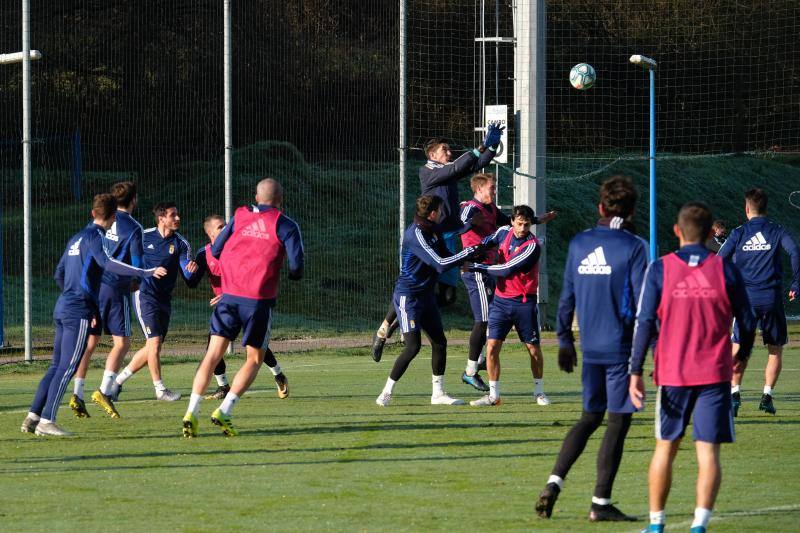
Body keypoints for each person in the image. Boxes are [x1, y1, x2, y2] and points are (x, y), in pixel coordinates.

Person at [630, 201, 756, 533]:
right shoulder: (726, 269)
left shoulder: (660, 269)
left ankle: (656, 523)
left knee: (665, 448)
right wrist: (744, 354)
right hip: (715, 376)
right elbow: (747, 319)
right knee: (708, 452)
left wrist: (634, 372)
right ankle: (699, 525)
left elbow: (644, 323)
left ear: (677, 231)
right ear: (710, 234)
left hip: (673, 375)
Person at [535, 176, 647, 522]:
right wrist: (640, 363)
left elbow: (566, 297)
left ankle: (554, 483)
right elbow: (644, 308)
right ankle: (600, 503)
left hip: (590, 349)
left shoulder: (579, 243)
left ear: (600, 207)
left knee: (588, 418)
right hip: (621, 349)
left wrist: (565, 342)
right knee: (617, 422)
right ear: (632, 211)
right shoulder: (634, 247)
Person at [20, 194, 165, 437]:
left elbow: (59, 273)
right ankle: (47, 420)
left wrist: (73, 292)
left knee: (55, 366)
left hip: (63, 305)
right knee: (67, 367)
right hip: (77, 311)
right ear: (111, 218)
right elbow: (108, 264)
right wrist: (144, 271)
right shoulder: (95, 237)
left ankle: (33, 416)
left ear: (92, 213)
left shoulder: (76, 237)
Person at [182, 178, 304, 437]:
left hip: (229, 297)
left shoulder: (239, 215)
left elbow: (216, 247)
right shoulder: (286, 224)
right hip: (257, 301)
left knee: (212, 355)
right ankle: (224, 412)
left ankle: (191, 411)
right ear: (280, 200)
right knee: (254, 359)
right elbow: (296, 268)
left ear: (256, 197)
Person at [371, 125, 503, 362]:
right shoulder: (428, 171)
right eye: (445, 149)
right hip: (431, 237)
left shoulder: (447, 169)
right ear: (432, 155)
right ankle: (387, 326)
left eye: (450, 149)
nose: (449, 152)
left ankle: (407, 319)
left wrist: (492, 146)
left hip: (450, 235)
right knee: (415, 284)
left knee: (448, 297)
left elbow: (473, 165)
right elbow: (458, 166)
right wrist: (480, 146)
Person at [375, 195, 484, 407]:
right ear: (433, 212)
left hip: (426, 296)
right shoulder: (416, 234)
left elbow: (446, 254)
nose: (443, 213)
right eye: (440, 210)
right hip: (409, 297)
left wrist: (472, 257)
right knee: (413, 346)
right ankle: (386, 393)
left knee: (439, 343)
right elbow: (440, 264)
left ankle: (438, 394)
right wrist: (467, 253)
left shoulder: (433, 230)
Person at [92, 202, 198, 416]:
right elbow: (129, 258)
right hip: (144, 295)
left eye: (177, 214)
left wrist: (192, 270)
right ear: (161, 218)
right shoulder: (144, 235)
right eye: (173, 215)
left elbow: (187, 274)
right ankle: (160, 389)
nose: (177, 218)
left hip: (164, 300)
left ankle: (117, 383)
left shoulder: (181, 243)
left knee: (152, 347)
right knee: (155, 342)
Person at [458, 173, 556, 392]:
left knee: (527, 344)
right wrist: (468, 247)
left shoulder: (496, 214)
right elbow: (459, 225)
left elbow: (513, 223)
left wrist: (540, 219)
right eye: (492, 187)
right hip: (477, 272)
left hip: (497, 278)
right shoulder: (471, 208)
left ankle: (535, 390)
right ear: (479, 189)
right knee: (483, 320)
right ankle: (471, 371)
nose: (495, 190)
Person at [717, 188, 799, 416]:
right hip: (771, 299)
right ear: (766, 208)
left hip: (745, 301)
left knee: (740, 347)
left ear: (746, 209)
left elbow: (718, 260)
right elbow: (794, 251)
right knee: (775, 350)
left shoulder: (739, 232)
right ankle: (767, 396)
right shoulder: (776, 230)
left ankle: (734, 394)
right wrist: (796, 283)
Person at [66, 181, 144, 419]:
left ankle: (77, 393)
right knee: (122, 343)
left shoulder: (99, 223)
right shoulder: (133, 227)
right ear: (133, 200)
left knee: (91, 342)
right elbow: (137, 266)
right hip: (114, 288)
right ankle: (104, 391)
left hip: (93, 285)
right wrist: (136, 282)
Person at [191, 214, 289, 401]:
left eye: (226, 226)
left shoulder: (240, 248)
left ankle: (278, 375)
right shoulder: (203, 254)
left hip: (247, 302)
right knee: (212, 349)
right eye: (220, 227)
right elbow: (191, 282)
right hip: (225, 308)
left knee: (255, 345)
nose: (226, 229)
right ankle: (223, 386)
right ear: (210, 233)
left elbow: (252, 275)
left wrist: (228, 293)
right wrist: (189, 270)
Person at [465, 205, 549, 407]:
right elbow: (487, 242)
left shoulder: (532, 246)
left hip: (523, 303)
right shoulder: (504, 232)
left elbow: (505, 269)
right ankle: (494, 396)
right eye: (519, 223)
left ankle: (539, 391)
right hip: (501, 302)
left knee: (533, 349)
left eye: (527, 224)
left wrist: (476, 265)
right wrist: (476, 251)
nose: (522, 228)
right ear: (512, 221)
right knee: (492, 347)